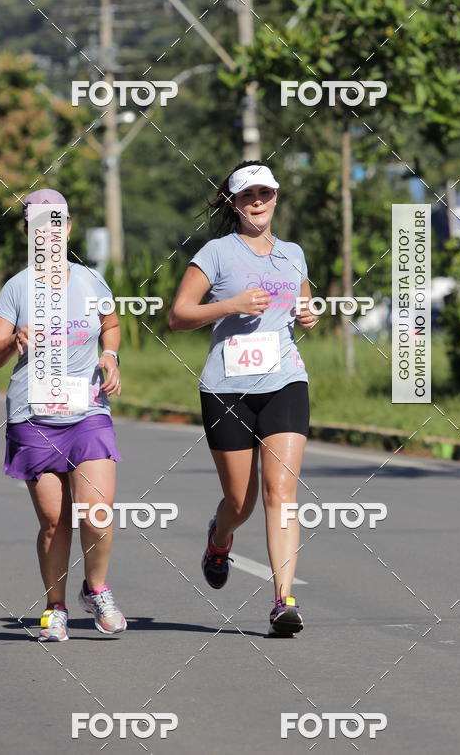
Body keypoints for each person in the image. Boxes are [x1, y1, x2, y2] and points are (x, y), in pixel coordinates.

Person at [169, 161, 316, 636]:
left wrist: (309, 315)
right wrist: (230, 305)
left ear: (276, 197)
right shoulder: (214, 253)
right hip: (227, 387)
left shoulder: (293, 254)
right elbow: (179, 316)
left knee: (282, 492)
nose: (258, 202)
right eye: (248, 195)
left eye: (265, 193)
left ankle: (283, 601)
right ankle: (220, 537)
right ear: (234, 203)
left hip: (285, 381)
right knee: (241, 499)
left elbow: (303, 305)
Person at [0, 189, 126, 642]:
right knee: (54, 521)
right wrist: (12, 341)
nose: (50, 230)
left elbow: (112, 324)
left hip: (87, 409)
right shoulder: (18, 287)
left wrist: (110, 355)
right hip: (34, 414)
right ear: (30, 231)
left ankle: (96, 590)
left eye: (57, 220)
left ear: (67, 226)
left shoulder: (89, 280)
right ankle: (55, 608)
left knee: (97, 513)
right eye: (40, 222)